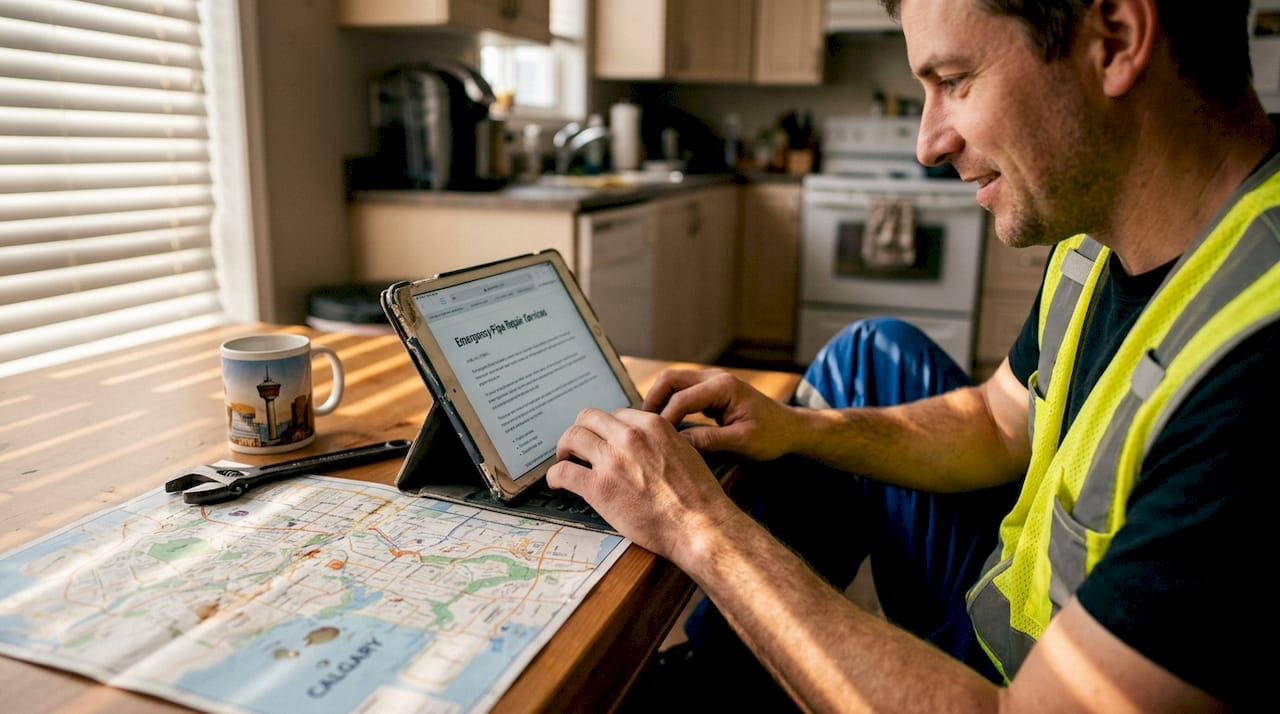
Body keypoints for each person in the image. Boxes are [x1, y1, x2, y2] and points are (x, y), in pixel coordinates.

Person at [548, 0, 1278, 710]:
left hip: (1012, 686)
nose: (928, 143)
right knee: (871, 353)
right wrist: (796, 428)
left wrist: (696, 525)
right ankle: (718, 677)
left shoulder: (1257, 370)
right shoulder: (1097, 238)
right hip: (1011, 607)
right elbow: (1000, 420)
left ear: (1116, 38)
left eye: (955, 80)